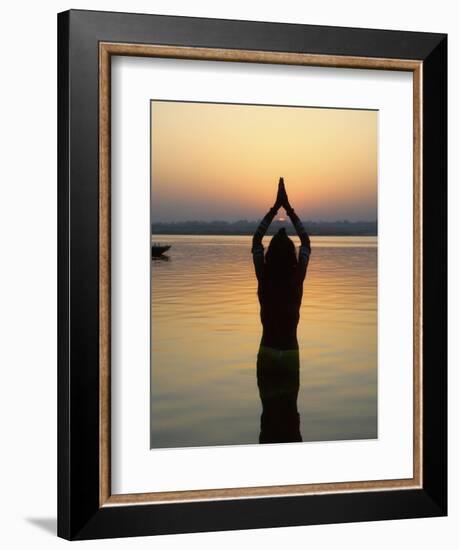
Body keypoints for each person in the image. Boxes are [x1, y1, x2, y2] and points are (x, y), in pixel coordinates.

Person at [252, 177, 311, 443]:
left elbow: (255, 242)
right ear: (290, 256)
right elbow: (307, 244)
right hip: (289, 353)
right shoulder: (295, 279)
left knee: (268, 418)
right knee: (290, 416)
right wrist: (289, 208)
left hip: (267, 352)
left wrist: (275, 208)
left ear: (270, 255)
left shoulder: (264, 278)